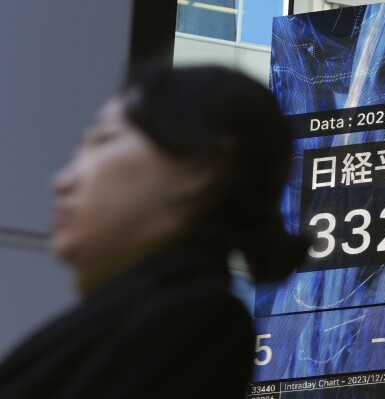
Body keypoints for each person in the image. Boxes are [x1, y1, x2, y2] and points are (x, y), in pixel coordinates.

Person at [0, 66, 308, 398]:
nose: (61, 181)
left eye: (103, 140)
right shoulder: (136, 311)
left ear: (198, 168)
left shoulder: (194, 320)